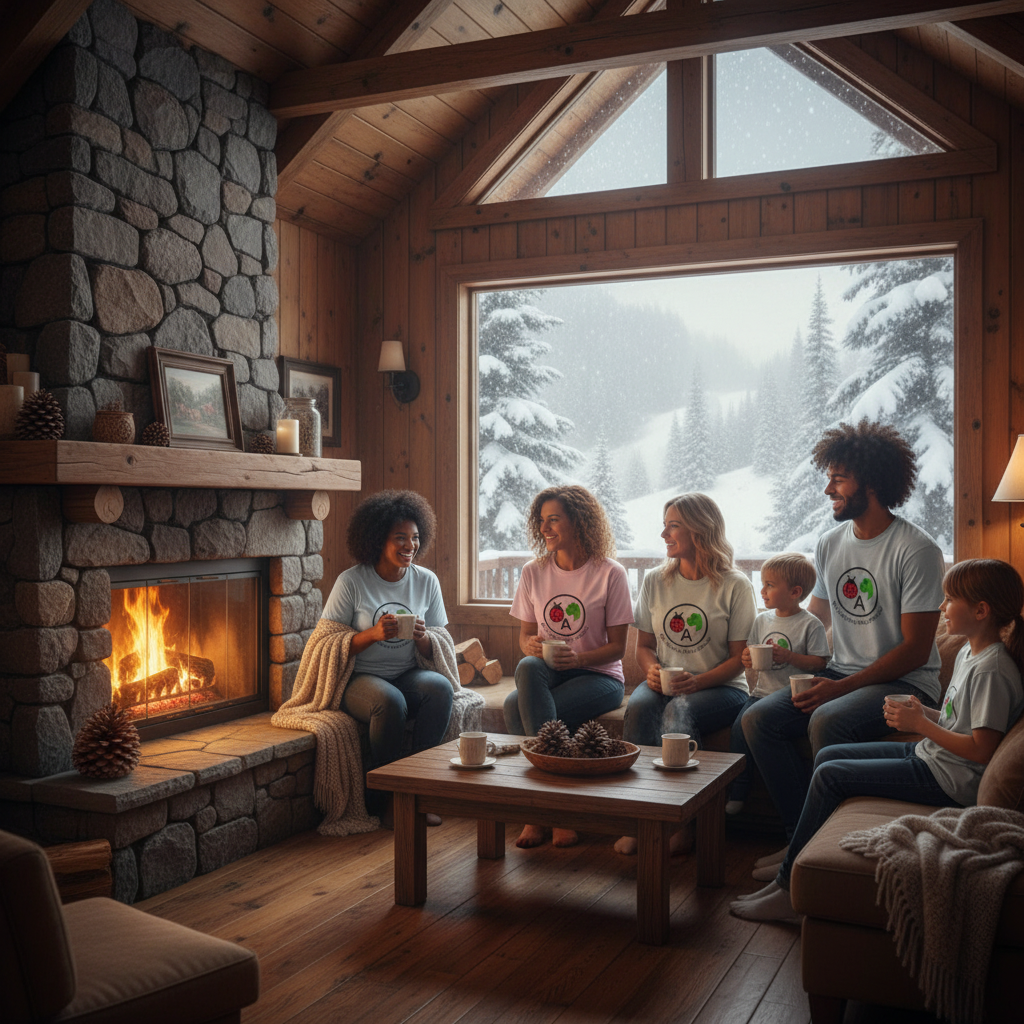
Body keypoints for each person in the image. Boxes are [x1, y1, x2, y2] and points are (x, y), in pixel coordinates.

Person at [731, 558, 1024, 923]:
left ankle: (789, 888)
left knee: (830, 776)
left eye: (950, 600)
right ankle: (800, 854)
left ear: (981, 610)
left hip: (950, 779)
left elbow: (981, 750)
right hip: (933, 756)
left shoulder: (992, 670)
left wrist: (920, 724)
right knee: (829, 756)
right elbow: (962, 723)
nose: (941, 607)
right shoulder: (970, 652)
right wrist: (925, 713)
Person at [741, 420, 947, 875]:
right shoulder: (830, 543)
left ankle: (821, 855)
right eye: (829, 477)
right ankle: (801, 840)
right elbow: (814, 621)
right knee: (758, 719)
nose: (828, 489)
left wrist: (839, 688)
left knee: (829, 718)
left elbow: (916, 650)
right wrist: (780, 653)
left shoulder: (916, 550)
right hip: (841, 672)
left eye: (838, 478)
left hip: (906, 682)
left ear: (870, 482)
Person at [615, 493, 757, 855]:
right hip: (666, 683)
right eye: (664, 525)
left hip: (723, 687)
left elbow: (738, 659)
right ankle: (638, 817)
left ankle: (685, 821)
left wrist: (697, 682)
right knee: (639, 707)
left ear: (700, 529)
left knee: (679, 710)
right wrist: (652, 671)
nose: (664, 534)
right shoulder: (655, 580)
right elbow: (643, 646)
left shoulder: (736, 585)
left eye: (673, 526)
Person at [504, 485, 634, 849]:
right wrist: (530, 645)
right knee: (528, 666)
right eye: (541, 520)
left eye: (554, 520)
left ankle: (542, 811)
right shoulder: (533, 571)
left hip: (600, 676)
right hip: (550, 673)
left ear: (578, 522)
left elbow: (618, 648)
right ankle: (556, 809)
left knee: (515, 706)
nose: (544, 528)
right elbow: (525, 636)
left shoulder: (610, 573)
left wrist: (578, 659)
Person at [321, 490, 455, 822]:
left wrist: (424, 639)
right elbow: (325, 642)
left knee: (440, 689)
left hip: (407, 672)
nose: (410, 545)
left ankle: (420, 792)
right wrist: (374, 634)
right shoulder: (352, 581)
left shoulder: (426, 581)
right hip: (360, 678)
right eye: (400, 538)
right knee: (390, 701)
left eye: (415, 537)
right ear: (378, 538)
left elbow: (440, 643)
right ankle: (388, 802)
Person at [726, 552, 831, 817]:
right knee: (738, 730)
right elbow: (750, 652)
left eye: (770, 585)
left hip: (792, 696)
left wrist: (790, 657)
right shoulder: (762, 620)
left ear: (795, 592)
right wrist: (747, 658)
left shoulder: (810, 624)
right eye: (763, 584)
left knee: (751, 724)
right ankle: (738, 789)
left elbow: (820, 662)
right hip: (761, 693)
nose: (762, 590)